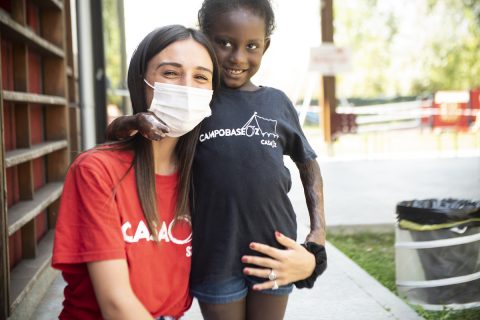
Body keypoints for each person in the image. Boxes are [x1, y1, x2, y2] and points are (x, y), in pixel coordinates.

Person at [106, 1, 327, 319]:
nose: (237, 57)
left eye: (251, 46)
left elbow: (308, 163)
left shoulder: (276, 102)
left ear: (265, 46)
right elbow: (116, 133)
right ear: (204, 38)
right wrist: (138, 120)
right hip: (215, 256)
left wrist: (317, 235)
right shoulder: (194, 102)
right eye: (224, 43)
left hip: (275, 253)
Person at [52, 25, 221, 319]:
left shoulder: (204, 175)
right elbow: (116, 304)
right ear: (140, 81)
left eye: (201, 77)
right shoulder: (96, 170)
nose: (187, 87)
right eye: (170, 73)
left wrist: (308, 257)